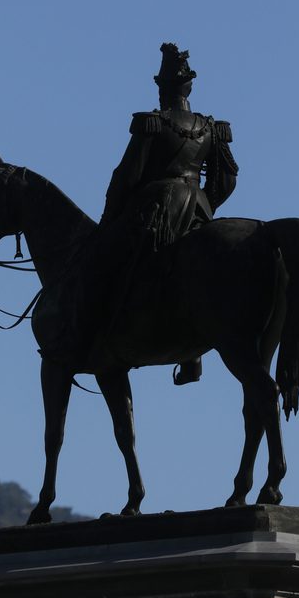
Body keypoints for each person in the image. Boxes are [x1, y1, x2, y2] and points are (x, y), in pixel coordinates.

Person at [99, 43, 239, 384]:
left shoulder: (153, 124)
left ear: (162, 90)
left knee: (116, 264)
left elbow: (126, 175)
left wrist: (110, 216)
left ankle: (109, 332)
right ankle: (192, 358)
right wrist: (205, 203)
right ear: (189, 88)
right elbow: (227, 179)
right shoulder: (212, 128)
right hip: (198, 208)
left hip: (158, 208)